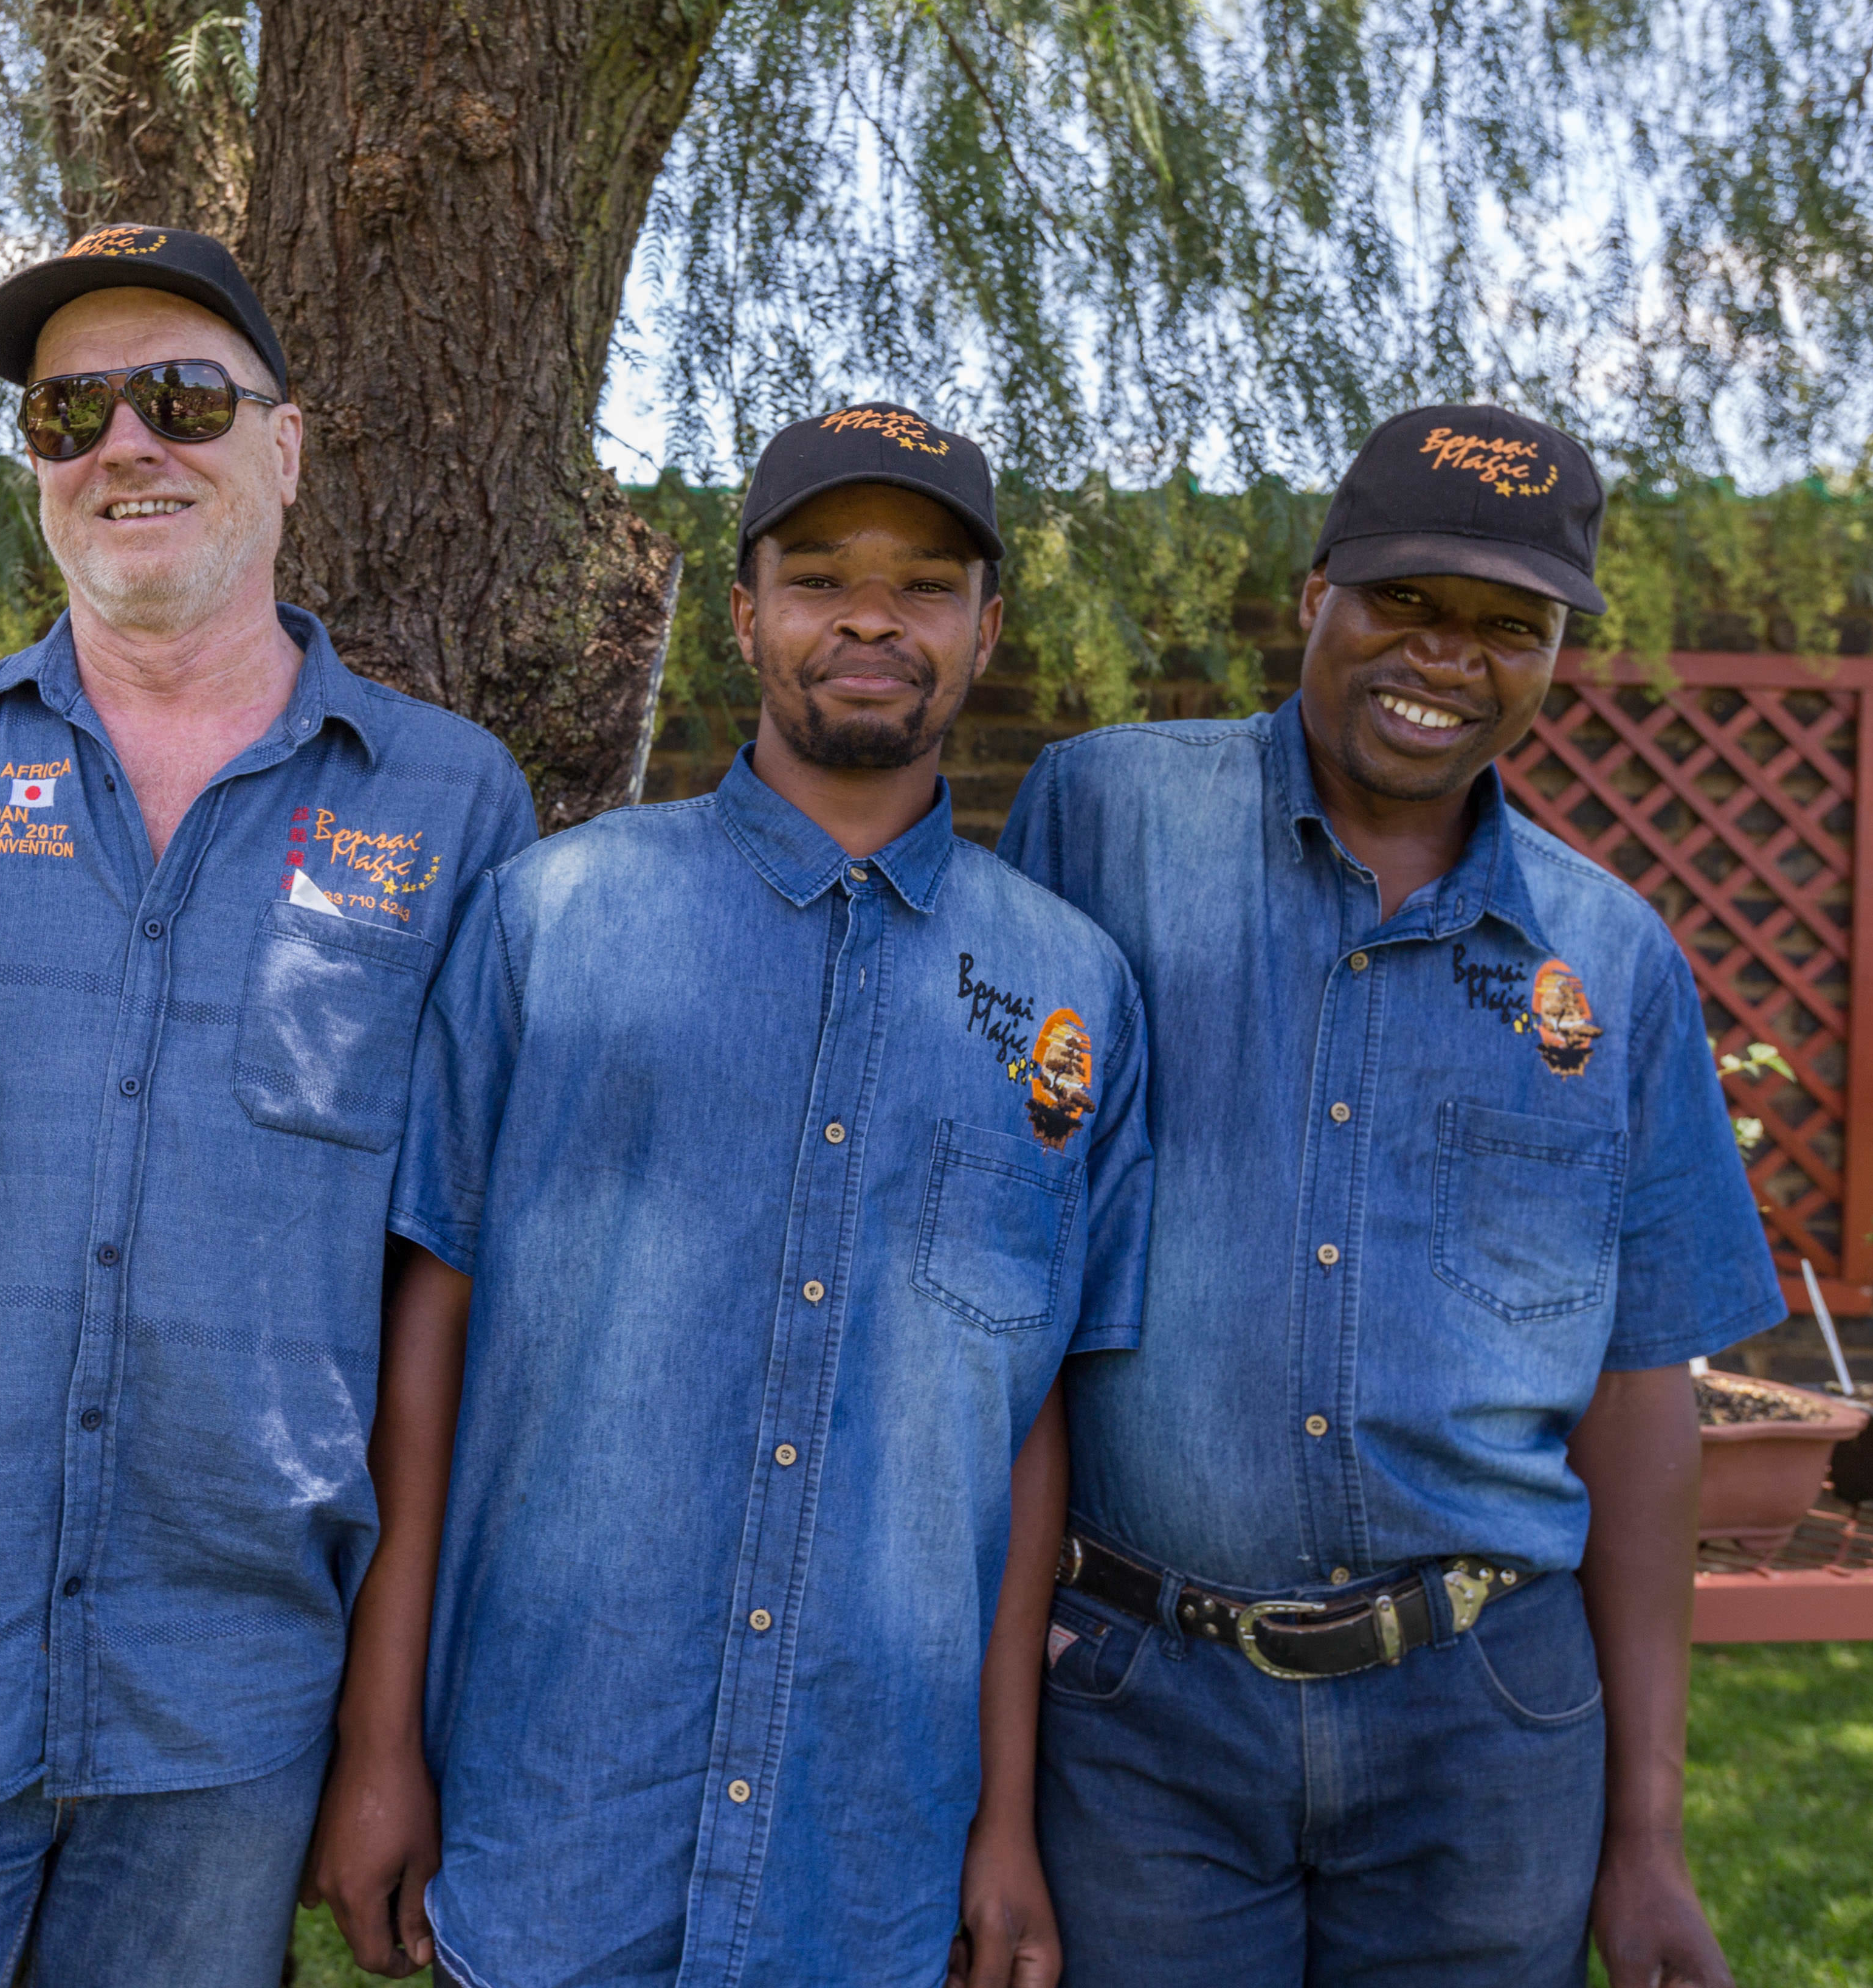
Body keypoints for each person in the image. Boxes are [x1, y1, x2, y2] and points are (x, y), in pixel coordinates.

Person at [0, 226, 538, 1985]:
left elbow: (446, 1278)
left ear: (287, 447)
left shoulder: (452, 802)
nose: (126, 446)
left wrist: (387, 1727)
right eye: (68, 412)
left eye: (183, 398)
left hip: (235, 1703)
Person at [312, 406, 1152, 1987]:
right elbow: (429, 1349)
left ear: (986, 627)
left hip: (872, 1841)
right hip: (558, 1804)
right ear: (746, 608)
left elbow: (1030, 1424)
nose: (869, 619)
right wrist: (382, 1740)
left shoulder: (1068, 995)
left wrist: (1004, 1818)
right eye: (821, 574)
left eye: (923, 586)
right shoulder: (551, 925)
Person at [999, 406, 1779, 1988]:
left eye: (1509, 625)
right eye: (1407, 604)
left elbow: (1642, 1396)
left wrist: (1649, 1836)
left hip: (1487, 1721)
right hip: (1141, 1705)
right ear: (1314, 597)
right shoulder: (1103, 824)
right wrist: (994, 1778)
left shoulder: (1610, 960)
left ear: (1555, 652)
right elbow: (1007, 1279)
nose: (1447, 656)